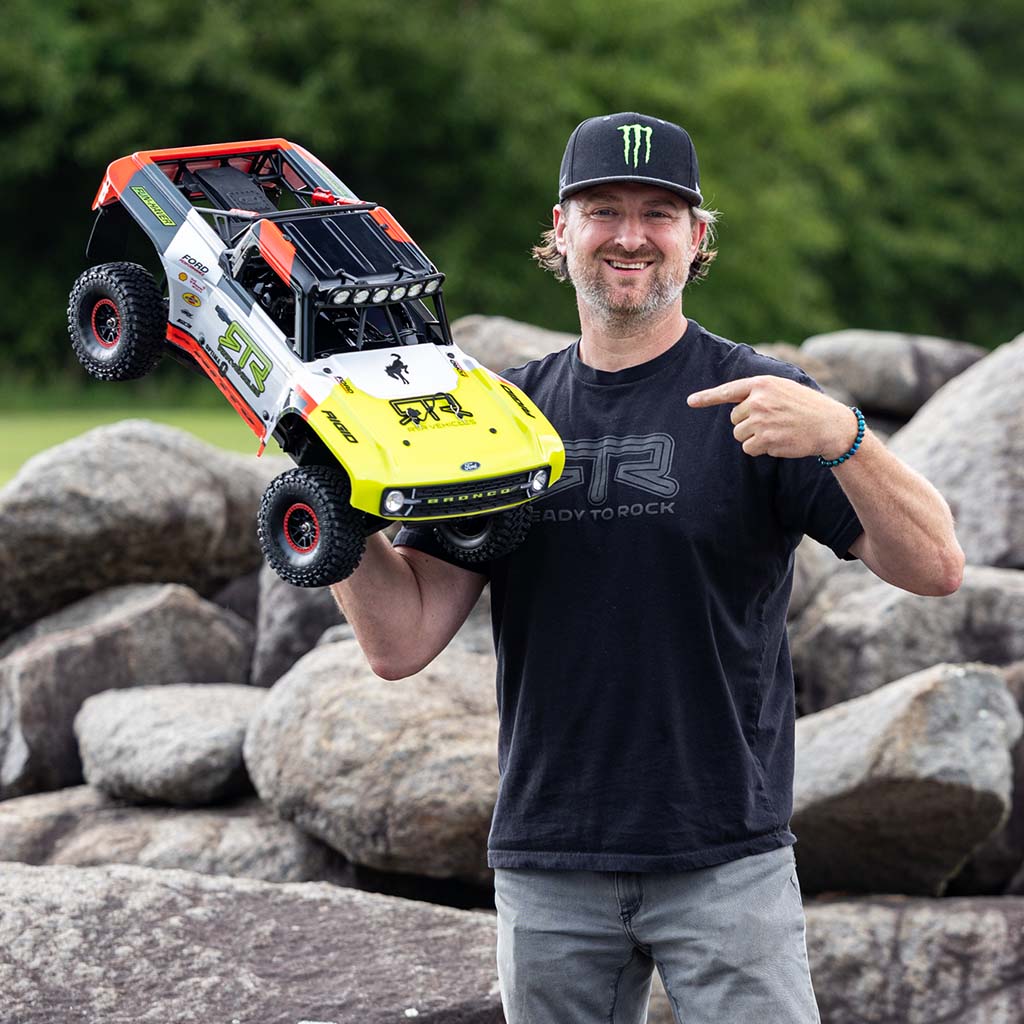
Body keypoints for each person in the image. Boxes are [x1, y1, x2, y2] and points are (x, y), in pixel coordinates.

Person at [332, 111, 964, 1024]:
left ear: (697, 237)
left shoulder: (766, 400)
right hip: (551, 865)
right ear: (561, 229)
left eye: (659, 213)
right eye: (603, 209)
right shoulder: (501, 416)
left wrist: (846, 439)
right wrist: (327, 498)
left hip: (725, 862)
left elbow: (938, 565)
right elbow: (401, 640)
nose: (630, 235)